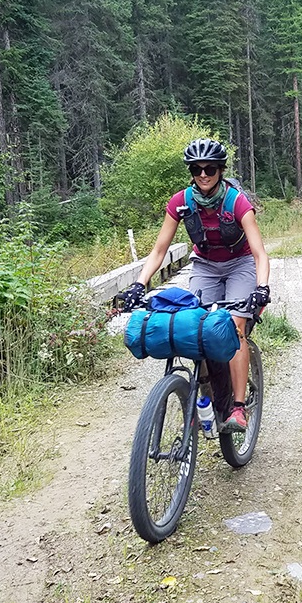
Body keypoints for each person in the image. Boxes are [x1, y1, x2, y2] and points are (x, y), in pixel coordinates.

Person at [115, 138, 271, 433]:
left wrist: (262, 287)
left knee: (235, 325)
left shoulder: (236, 202)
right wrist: (139, 283)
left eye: (209, 168)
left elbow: (260, 252)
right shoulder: (180, 202)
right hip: (205, 265)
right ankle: (212, 397)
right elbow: (160, 250)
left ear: (220, 170)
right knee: (198, 326)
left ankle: (238, 408)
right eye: (196, 169)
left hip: (240, 264)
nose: (203, 174)